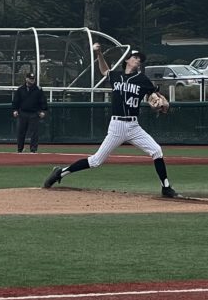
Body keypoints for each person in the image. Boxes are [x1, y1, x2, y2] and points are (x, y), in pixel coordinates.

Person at [43, 43, 179, 198]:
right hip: (117, 125)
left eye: (140, 59)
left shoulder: (142, 79)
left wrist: (164, 103)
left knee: (156, 151)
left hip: (134, 126)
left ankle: (166, 187)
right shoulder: (116, 76)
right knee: (96, 161)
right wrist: (99, 53)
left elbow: (155, 95)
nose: (138, 60)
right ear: (127, 60)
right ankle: (61, 172)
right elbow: (104, 71)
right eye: (135, 57)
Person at [12, 71, 47, 153]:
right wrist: (15, 110)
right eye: (30, 79)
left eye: (33, 79)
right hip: (23, 113)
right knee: (21, 132)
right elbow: (16, 101)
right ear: (26, 79)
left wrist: (43, 111)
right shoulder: (20, 89)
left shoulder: (38, 89)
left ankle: (33, 149)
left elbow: (43, 101)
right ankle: (20, 149)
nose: (32, 80)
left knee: (34, 133)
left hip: (34, 113)